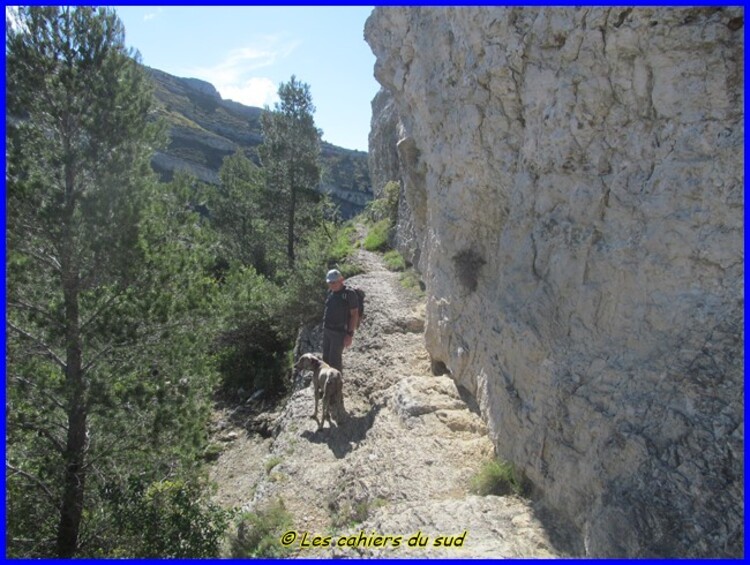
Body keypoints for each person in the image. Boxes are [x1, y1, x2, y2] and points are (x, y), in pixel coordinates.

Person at [322, 269, 359, 373]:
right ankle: (327, 382)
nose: (331, 285)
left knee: (335, 361)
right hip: (327, 330)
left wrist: (350, 334)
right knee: (325, 358)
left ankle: (336, 385)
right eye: (329, 282)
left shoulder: (349, 294)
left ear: (341, 280)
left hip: (339, 333)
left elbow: (354, 314)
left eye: (334, 282)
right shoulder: (330, 292)